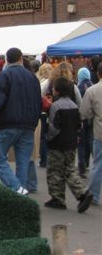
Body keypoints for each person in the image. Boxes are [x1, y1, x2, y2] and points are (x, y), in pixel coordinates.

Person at [0, 47, 41, 194]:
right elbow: (38, 101)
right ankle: (20, 193)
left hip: (7, 124)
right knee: (23, 162)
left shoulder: (5, 76)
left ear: (7, 60)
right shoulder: (32, 77)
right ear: (21, 59)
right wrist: (34, 120)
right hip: (28, 125)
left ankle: (16, 188)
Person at [44, 77, 93, 212]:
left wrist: (48, 138)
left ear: (57, 91)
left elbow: (53, 126)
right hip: (71, 143)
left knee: (54, 171)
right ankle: (82, 193)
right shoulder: (74, 106)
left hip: (57, 143)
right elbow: (78, 125)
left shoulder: (55, 106)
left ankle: (58, 198)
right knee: (69, 169)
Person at [80, 62, 102, 206]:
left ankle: (94, 194)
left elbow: (84, 112)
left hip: (100, 131)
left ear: (98, 73)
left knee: (98, 164)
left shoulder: (92, 90)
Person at [77, 67, 94, 178]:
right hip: (91, 118)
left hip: (82, 118)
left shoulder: (78, 87)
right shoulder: (92, 85)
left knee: (81, 143)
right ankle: (87, 163)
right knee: (89, 141)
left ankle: (82, 167)